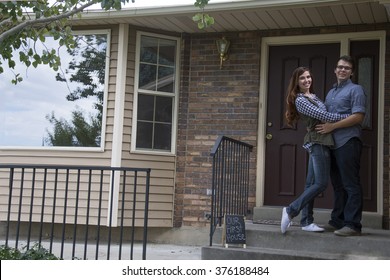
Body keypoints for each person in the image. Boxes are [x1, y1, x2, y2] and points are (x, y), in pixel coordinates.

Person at [281, 66, 350, 234]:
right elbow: (324, 116)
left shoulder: (312, 96)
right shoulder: (300, 100)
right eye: (302, 78)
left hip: (323, 141)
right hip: (317, 142)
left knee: (311, 183)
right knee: (320, 183)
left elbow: (323, 114)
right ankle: (290, 210)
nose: (307, 80)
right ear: (296, 82)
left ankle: (306, 221)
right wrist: (348, 117)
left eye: (308, 77)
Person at [315, 55, 366, 236]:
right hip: (332, 144)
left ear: (352, 72)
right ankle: (338, 221)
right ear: (335, 70)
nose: (343, 70)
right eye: (340, 67)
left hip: (348, 141)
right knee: (338, 185)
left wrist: (332, 126)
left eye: (347, 68)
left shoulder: (356, 90)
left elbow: (358, 117)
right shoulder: (331, 93)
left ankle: (353, 225)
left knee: (351, 184)